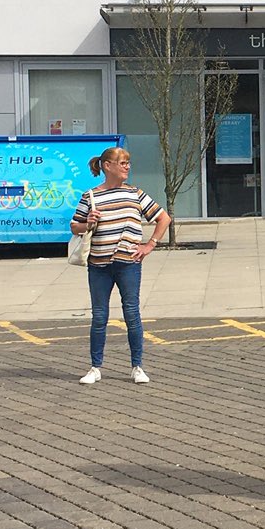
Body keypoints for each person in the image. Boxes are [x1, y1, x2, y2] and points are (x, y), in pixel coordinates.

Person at [70, 146, 169, 385]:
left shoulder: (135, 194)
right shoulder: (91, 195)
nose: (127, 166)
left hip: (128, 263)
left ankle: (137, 366)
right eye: (122, 162)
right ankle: (95, 367)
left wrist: (150, 245)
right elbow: (75, 226)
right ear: (107, 166)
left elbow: (163, 217)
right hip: (98, 264)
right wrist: (88, 223)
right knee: (99, 316)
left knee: (132, 313)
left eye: (128, 162)